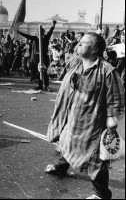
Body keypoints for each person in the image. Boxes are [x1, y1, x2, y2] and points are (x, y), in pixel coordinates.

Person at [45, 32, 125, 199]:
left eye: (84, 42)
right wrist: (44, 69)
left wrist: (112, 121)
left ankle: (101, 193)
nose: (79, 44)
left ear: (95, 49)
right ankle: (61, 167)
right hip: (71, 117)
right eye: (79, 42)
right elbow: (61, 72)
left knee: (95, 160)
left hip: (92, 124)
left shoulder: (108, 72)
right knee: (65, 142)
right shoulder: (75, 63)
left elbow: (116, 99)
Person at [18, 20, 57, 91]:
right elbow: (28, 36)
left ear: (42, 33)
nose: (38, 34)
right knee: (39, 71)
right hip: (37, 57)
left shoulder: (46, 37)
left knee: (44, 71)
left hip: (44, 56)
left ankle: (46, 86)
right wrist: (20, 33)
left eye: (40, 32)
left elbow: (51, 31)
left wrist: (53, 25)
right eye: (38, 32)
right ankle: (40, 85)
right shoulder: (36, 38)